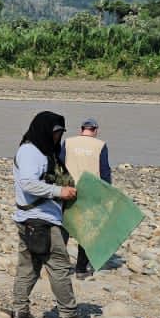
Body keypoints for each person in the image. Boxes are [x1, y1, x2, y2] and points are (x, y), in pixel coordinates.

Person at [11, 111, 82, 318]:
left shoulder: (43, 152)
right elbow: (28, 183)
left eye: (60, 133)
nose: (57, 137)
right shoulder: (30, 152)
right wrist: (59, 192)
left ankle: (20, 311)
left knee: (29, 267)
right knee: (59, 267)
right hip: (40, 221)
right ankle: (68, 314)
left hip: (32, 220)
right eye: (55, 133)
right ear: (43, 130)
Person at [63, 117, 112, 277]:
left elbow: (59, 164)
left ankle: (59, 266)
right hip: (90, 192)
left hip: (68, 190)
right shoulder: (100, 145)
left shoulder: (68, 142)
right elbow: (104, 171)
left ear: (81, 129)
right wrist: (107, 193)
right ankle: (81, 269)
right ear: (95, 130)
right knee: (86, 232)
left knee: (64, 227)